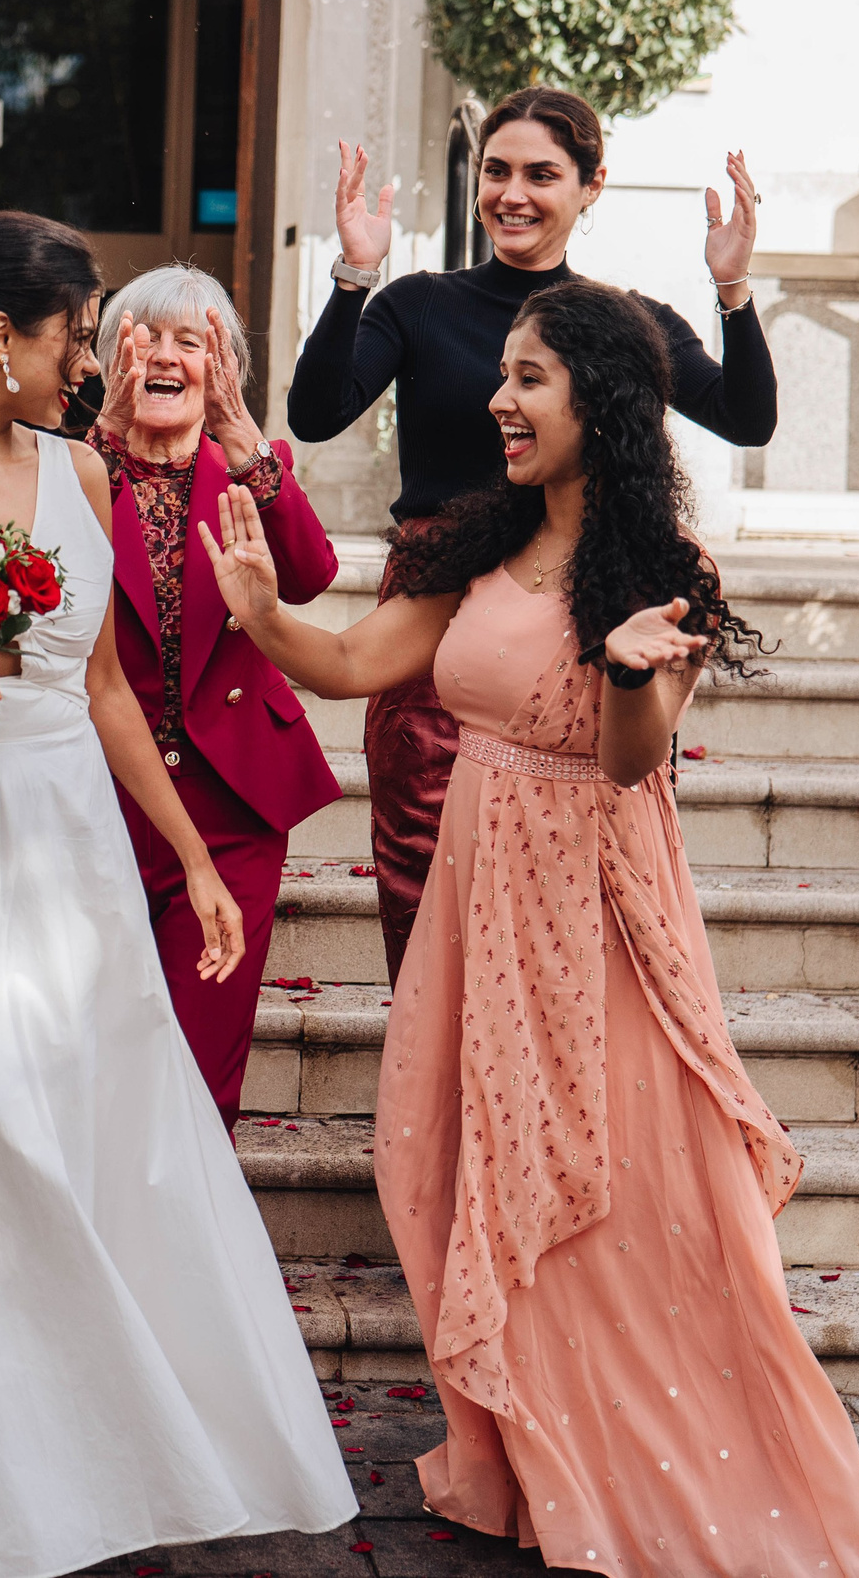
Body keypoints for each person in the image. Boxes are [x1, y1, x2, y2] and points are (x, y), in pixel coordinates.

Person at [203, 277, 859, 1577]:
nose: (497, 400)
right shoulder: (471, 540)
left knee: (611, 1191)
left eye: (529, 379)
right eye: (501, 374)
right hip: (481, 893)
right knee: (447, 1159)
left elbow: (634, 759)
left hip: (593, 912)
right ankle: (526, 1448)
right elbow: (357, 662)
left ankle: (641, 1457)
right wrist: (259, 614)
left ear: (603, 402)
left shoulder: (660, 573)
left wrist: (634, 669)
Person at [0, 213, 357, 1578]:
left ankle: (102, 1458)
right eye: (73, 334)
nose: (86, 361)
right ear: (0, 334)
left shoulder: (86, 478)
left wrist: (196, 857)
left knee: (86, 1145)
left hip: (64, 843)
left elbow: (97, 688)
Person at [285, 85, 776, 983]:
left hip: (573, 604)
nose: (513, 193)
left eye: (542, 174)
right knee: (420, 859)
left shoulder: (619, 323)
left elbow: (746, 417)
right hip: (440, 604)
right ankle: (444, 1091)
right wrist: (355, 274)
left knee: (572, 871)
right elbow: (315, 414)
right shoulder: (419, 304)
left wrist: (732, 285)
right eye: (497, 170)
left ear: (591, 188)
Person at [82, 264, 340, 1128]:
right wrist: (102, 439)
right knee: (98, 1046)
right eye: (141, 338)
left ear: (219, 365)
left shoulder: (250, 475)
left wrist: (247, 442)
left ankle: (188, 1252)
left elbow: (310, 577)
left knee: (200, 1054)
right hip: (99, 794)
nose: (163, 357)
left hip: (234, 799)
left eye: (188, 342)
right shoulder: (73, 469)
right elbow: (38, 583)